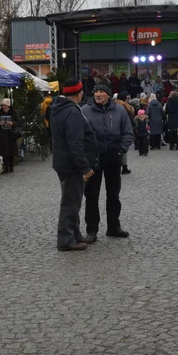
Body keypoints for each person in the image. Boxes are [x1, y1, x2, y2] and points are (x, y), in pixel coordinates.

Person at [81, 83, 133, 243]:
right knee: (91, 195)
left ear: (109, 94)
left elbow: (128, 132)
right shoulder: (84, 111)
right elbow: (79, 134)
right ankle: (91, 229)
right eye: (96, 91)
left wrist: (120, 150)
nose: (98, 94)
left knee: (113, 194)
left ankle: (113, 227)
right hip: (93, 159)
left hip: (113, 157)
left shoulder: (119, 110)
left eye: (102, 91)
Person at [49, 79, 97, 252]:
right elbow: (75, 143)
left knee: (73, 201)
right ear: (79, 94)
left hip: (63, 162)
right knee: (70, 203)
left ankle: (75, 234)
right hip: (71, 165)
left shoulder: (57, 108)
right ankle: (66, 239)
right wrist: (84, 167)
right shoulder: (71, 112)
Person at [0, 98, 19, 174]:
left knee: (11, 150)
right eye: (2, 105)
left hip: (11, 133)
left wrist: (12, 123)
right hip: (3, 134)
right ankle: (6, 167)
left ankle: (11, 167)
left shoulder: (14, 112)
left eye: (4, 105)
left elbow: (18, 122)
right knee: (4, 151)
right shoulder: (0, 112)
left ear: (8, 105)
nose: (3, 106)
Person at [116, 92, 135, 175]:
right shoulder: (127, 108)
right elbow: (129, 121)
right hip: (123, 131)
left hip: (114, 130)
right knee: (123, 149)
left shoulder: (113, 106)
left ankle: (117, 166)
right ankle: (124, 167)